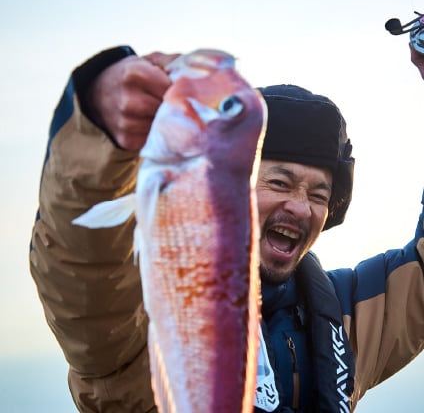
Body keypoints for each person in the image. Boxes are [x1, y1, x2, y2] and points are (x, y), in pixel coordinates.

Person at [30, 43, 424, 413]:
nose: (300, 207)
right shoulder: (140, 307)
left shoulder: (350, 313)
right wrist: (97, 124)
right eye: (279, 183)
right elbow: (80, 260)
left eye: (319, 194)